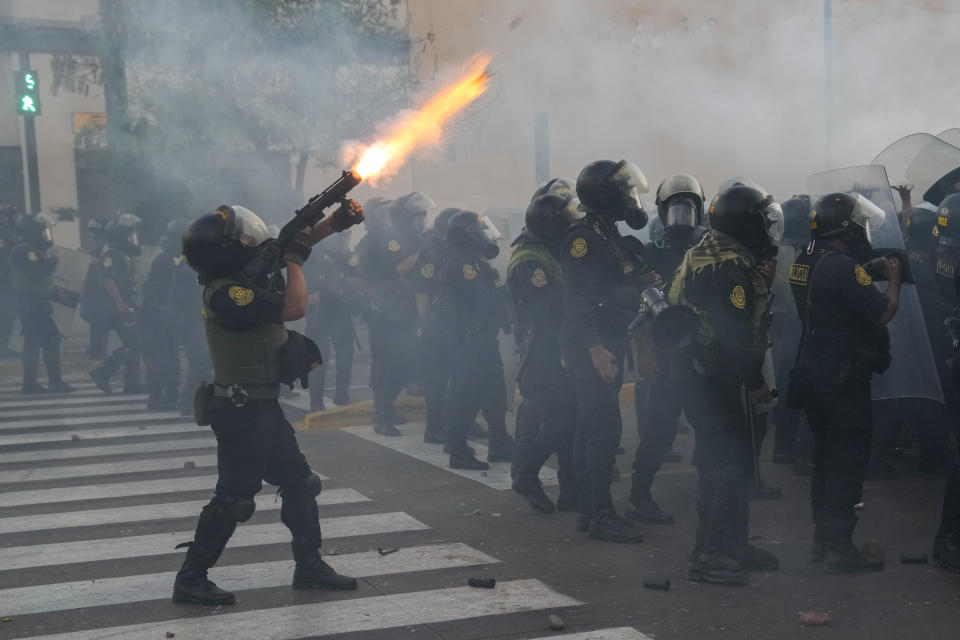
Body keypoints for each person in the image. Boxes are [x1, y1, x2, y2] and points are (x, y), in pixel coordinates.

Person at [173, 201, 364, 605]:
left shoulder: (241, 277)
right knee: (234, 498)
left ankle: (309, 565)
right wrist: (295, 264)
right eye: (241, 238)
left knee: (299, 482)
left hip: (261, 408)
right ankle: (191, 577)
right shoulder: (228, 293)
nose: (249, 240)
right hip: (242, 411)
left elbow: (285, 245)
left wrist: (335, 222)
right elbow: (294, 307)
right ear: (226, 251)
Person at [669, 182, 782, 584]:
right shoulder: (729, 267)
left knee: (733, 460)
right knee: (726, 463)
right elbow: (733, 332)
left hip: (700, 374)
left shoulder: (711, 250)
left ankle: (733, 543)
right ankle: (711, 554)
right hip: (710, 378)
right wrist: (754, 382)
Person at [790, 192, 904, 574]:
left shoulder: (805, 259)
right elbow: (880, 314)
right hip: (843, 382)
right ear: (845, 227)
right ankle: (841, 547)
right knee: (847, 463)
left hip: (812, 375)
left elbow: (834, 287)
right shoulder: (844, 268)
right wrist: (894, 280)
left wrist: (866, 268)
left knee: (824, 460)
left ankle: (823, 540)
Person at [560, 159, 659, 543]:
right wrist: (595, 348)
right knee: (602, 430)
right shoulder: (583, 238)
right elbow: (578, 299)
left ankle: (590, 511)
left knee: (595, 427)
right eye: (623, 191)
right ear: (605, 196)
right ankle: (600, 515)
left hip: (607, 339)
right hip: (592, 344)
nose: (630, 199)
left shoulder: (608, 234)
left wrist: (641, 281)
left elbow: (612, 282)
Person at [627, 173, 708, 525]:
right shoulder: (650, 254)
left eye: (689, 207)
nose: (682, 214)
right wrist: (643, 351)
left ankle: (712, 493)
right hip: (667, 352)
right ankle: (639, 495)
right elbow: (640, 306)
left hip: (701, 350)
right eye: (676, 207)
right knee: (660, 430)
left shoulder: (707, 248)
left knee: (709, 426)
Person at [508, 190, 580, 513]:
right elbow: (547, 307)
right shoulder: (529, 260)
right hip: (543, 351)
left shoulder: (547, 250)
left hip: (559, 346)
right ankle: (526, 475)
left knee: (570, 419)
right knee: (559, 421)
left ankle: (571, 490)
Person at [441, 210, 514, 469]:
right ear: (467, 235)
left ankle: (499, 442)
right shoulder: (464, 265)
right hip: (470, 341)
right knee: (468, 395)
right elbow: (481, 301)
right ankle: (458, 450)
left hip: (483, 338)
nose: (484, 235)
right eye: (478, 231)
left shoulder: (474, 260)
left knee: (495, 393)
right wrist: (508, 291)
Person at [359, 193, 433, 436]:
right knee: (386, 364)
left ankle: (387, 410)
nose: (421, 221)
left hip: (403, 310)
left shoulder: (405, 238)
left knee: (404, 361)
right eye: (418, 216)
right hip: (385, 312)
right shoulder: (379, 241)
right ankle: (381, 417)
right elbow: (400, 268)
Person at [8, 212, 76, 394]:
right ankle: (49, 383)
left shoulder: (29, 249)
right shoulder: (25, 250)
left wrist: (54, 291)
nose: (47, 236)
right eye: (44, 231)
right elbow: (38, 271)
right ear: (34, 231)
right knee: (46, 340)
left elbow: (37, 281)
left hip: (35, 302)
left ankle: (32, 384)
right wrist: (54, 258)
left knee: (36, 342)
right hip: (31, 303)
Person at [412, 207, 460, 443]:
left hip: (454, 321)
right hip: (437, 324)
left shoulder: (453, 249)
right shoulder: (432, 252)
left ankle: (460, 423)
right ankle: (435, 428)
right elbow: (422, 290)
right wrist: (427, 322)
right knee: (438, 378)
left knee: (458, 375)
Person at [89, 213, 144, 394]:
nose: (133, 238)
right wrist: (120, 303)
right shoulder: (113, 254)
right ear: (121, 234)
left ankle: (132, 384)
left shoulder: (122, 254)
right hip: (120, 307)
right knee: (135, 343)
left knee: (134, 343)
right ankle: (103, 372)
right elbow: (108, 281)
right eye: (130, 234)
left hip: (127, 304)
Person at [305, 227, 357, 411]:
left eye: (347, 236)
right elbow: (301, 275)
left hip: (340, 308)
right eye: (341, 235)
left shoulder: (345, 254)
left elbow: (353, 274)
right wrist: (310, 291)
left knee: (346, 351)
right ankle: (316, 401)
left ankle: (342, 394)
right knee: (320, 355)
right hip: (320, 310)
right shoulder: (314, 253)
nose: (344, 239)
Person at [140, 219, 188, 409]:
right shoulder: (168, 259)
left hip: (164, 315)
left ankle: (169, 395)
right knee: (161, 357)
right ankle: (158, 397)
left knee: (169, 356)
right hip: (155, 316)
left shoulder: (175, 258)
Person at [0, 205, 20, 359]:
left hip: (7, 278)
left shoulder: (8, 231)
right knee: (6, 313)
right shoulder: (4, 232)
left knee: (8, 313)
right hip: (5, 280)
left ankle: (5, 345)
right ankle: (3, 347)